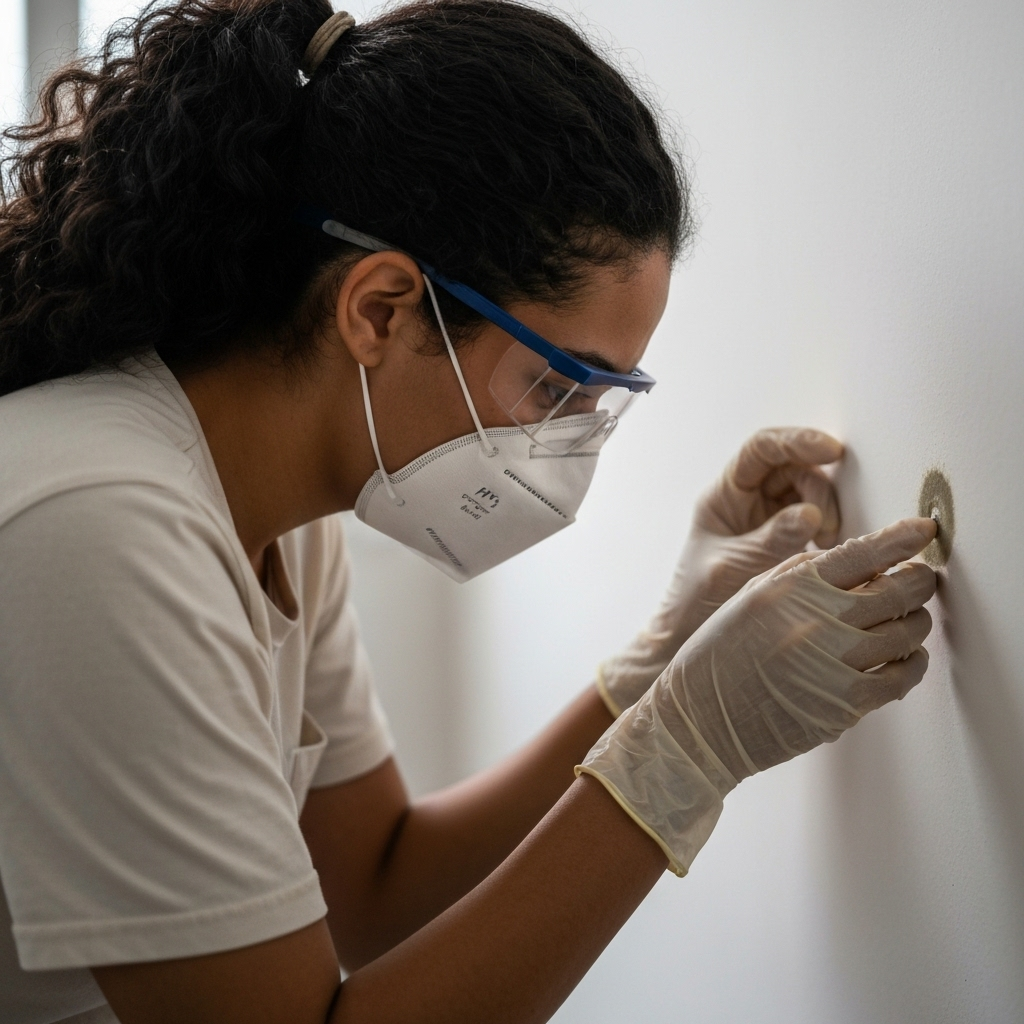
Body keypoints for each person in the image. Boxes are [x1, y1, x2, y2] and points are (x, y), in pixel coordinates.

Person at [0, 1, 937, 1021]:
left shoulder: (279, 519)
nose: (567, 442)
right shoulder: (96, 526)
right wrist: (685, 753)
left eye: (600, 399)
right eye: (556, 386)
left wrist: (659, 661)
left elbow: (375, 891)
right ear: (381, 309)